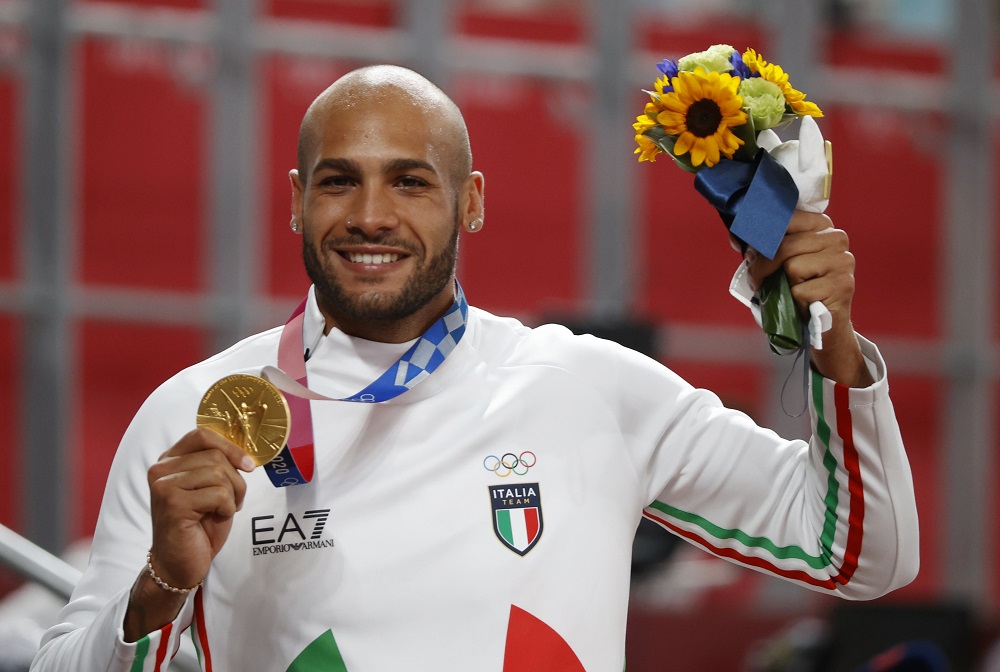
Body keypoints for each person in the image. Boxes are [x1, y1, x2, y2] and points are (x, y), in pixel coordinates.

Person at [31, 64, 918, 672]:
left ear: (473, 202)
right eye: (340, 181)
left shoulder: (591, 389)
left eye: (411, 183)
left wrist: (831, 341)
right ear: (297, 201)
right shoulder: (194, 417)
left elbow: (862, 554)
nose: (371, 215)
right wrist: (161, 588)